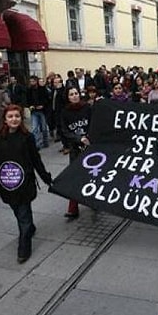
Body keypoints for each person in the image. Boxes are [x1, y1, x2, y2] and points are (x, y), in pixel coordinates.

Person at [0, 104, 52, 264]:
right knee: (18, 210)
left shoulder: (27, 137)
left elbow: (35, 159)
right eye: (10, 116)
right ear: (5, 119)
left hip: (24, 183)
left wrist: (46, 177)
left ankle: (24, 247)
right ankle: (29, 227)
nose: (14, 119)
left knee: (23, 213)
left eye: (17, 116)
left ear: (21, 118)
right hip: (7, 183)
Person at [61, 86, 92, 219]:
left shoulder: (87, 108)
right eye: (71, 94)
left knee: (92, 175)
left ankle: (93, 200)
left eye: (76, 93)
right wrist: (79, 139)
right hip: (75, 149)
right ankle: (73, 208)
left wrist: (89, 137)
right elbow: (64, 131)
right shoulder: (65, 112)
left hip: (90, 148)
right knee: (75, 177)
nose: (74, 96)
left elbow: (95, 123)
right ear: (68, 97)